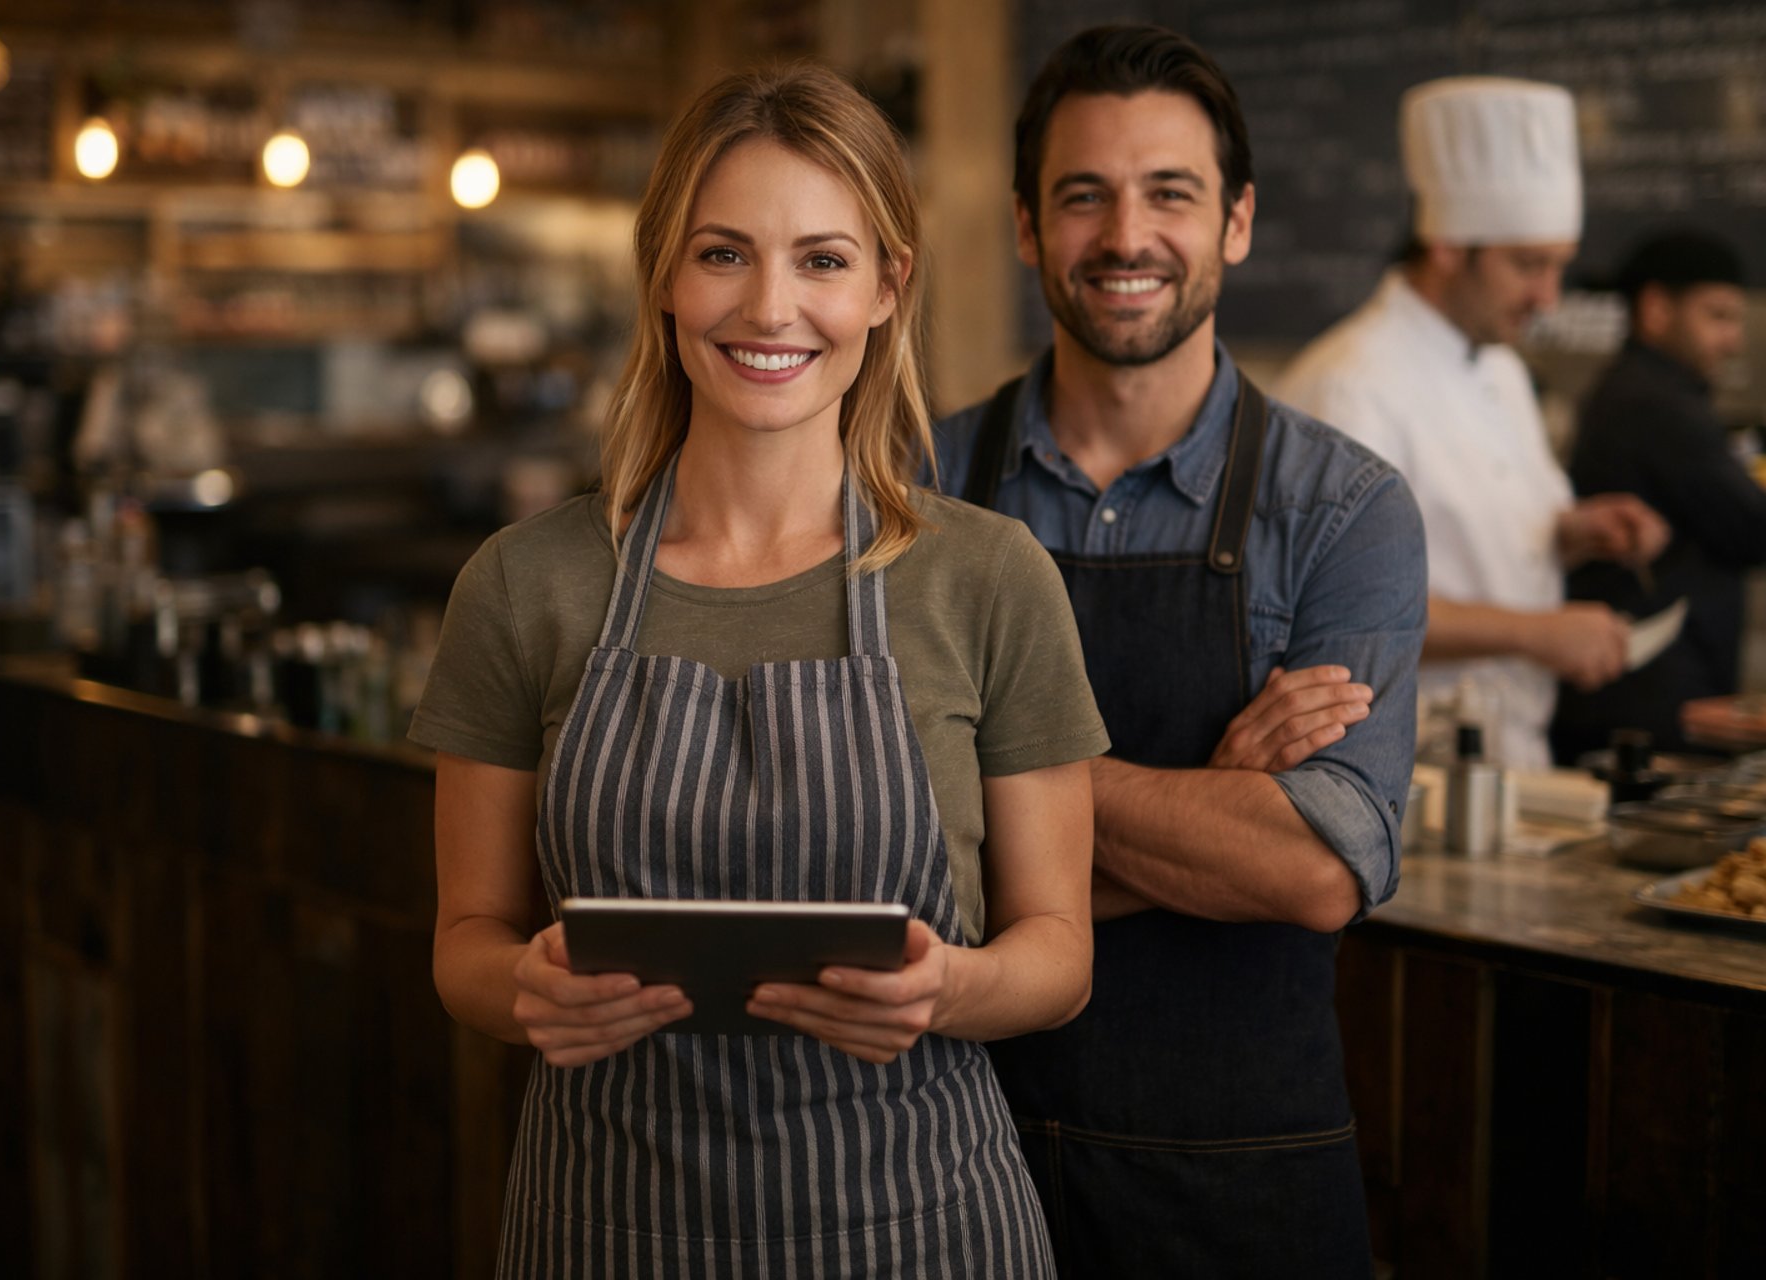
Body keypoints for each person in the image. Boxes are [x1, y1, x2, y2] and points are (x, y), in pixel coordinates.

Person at [412, 64, 1110, 1276]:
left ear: (888, 286)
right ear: (664, 278)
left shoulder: (989, 578)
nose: (769, 307)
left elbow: (1058, 952)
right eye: (724, 254)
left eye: (823, 260)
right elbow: (464, 941)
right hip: (606, 1235)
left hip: (923, 1232)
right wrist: (523, 985)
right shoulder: (526, 583)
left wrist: (947, 989)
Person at [931, 25, 1425, 1278]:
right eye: (1082, 195)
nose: (1126, 235)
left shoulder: (1345, 509)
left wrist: (996, 789)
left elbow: (1318, 867)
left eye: (1170, 193)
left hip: (1242, 1182)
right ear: (1028, 226)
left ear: (1236, 221)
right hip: (945, 1159)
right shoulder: (911, 486)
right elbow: (871, 850)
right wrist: (1215, 797)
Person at [1277, 76, 1670, 770]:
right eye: (1528, 266)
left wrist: (1571, 533)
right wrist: (1537, 633)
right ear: (1448, 246)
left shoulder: (1501, 368)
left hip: (1513, 757)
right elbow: (1344, 607)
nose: (1548, 299)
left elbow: (1476, 539)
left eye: (1558, 267)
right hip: (1401, 774)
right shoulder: (1351, 384)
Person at [1552, 230, 1760, 759]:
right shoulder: (1652, 403)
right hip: (1643, 700)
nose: (1733, 340)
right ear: (1656, 309)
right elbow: (1752, 528)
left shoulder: (1647, 391)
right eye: (1717, 316)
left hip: (1646, 684)